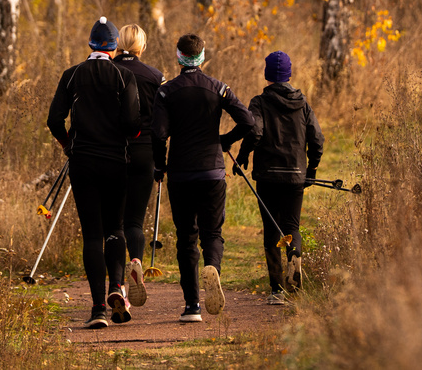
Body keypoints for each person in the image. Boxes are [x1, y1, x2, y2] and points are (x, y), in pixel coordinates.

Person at [152, 33, 254, 323]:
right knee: (212, 233)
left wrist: (159, 166)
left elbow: (158, 134)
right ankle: (213, 269)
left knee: (186, 238)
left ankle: (192, 306)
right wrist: (225, 140)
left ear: (179, 57)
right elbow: (248, 122)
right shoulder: (218, 89)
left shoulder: (166, 92)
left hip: (181, 174)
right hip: (212, 171)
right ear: (202, 56)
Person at [47, 17, 141, 329]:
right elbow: (131, 124)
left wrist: (67, 144)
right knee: (116, 227)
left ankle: (99, 308)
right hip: (116, 161)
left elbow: (54, 119)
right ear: (114, 48)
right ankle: (117, 286)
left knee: (92, 234)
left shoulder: (72, 75)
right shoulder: (124, 76)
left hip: (83, 162)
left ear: (90, 45)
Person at [232, 51, 324, 305]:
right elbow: (317, 140)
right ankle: (295, 261)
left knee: (271, 229)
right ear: (289, 74)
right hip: (296, 175)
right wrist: (312, 171)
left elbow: (255, 132)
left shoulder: (259, 103)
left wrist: (242, 156)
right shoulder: (303, 104)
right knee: (291, 226)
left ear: (267, 74)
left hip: (268, 176)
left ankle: (276, 290)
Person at [112, 24, 165, 308]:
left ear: (118, 44)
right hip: (145, 152)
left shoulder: (109, 71)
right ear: (141, 47)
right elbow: (163, 120)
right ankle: (137, 261)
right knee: (134, 220)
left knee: (115, 222)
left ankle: (119, 286)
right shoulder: (155, 76)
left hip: (113, 152)